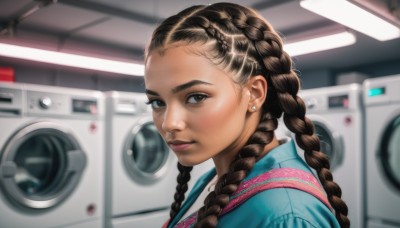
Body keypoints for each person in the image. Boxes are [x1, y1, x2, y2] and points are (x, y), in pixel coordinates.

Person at [143, 2, 350, 228]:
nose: (169, 123)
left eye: (196, 97)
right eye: (157, 102)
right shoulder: (213, 179)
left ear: (254, 94)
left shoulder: (286, 215)